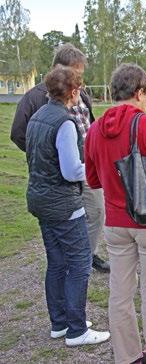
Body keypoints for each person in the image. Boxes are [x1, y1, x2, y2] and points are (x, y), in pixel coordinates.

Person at [84, 63, 146, 364]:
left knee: (120, 295)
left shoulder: (94, 129)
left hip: (116, 224)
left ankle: (128, 358)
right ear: (139, 92)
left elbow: (93, 180)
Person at [25, 65, 110, 346]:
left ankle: (60, 323)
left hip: (40, 199)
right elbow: (72, 171)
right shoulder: (64, 122)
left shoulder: (37, 117)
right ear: (73, 91)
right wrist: (97, 167)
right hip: (63, 204)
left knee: (57, 262)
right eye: (80, 88)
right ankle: (76, 330)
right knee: (79, 262)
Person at [10, 43, 109, 273]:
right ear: (58, 68)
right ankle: (72, 261)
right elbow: (18, 133)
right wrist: (48, 156)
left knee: (95, 212)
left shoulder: (81, 93)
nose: (79, 80)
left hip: (85, 167)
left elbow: (88, 124)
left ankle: (86, 254)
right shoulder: (34, 97)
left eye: (81, 76)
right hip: (58, 176)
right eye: (75, 73)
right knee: (65, 222)